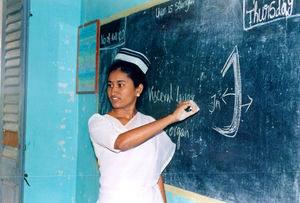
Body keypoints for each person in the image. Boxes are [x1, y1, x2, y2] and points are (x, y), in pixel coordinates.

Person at [88, 48, 199, 203]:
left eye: (120, 85)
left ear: (138, 89)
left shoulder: (150, 123)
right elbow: (121, 142)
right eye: (110, 85)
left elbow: (155, 174)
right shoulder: (98, 122)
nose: (113, 91)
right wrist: (173, 117)